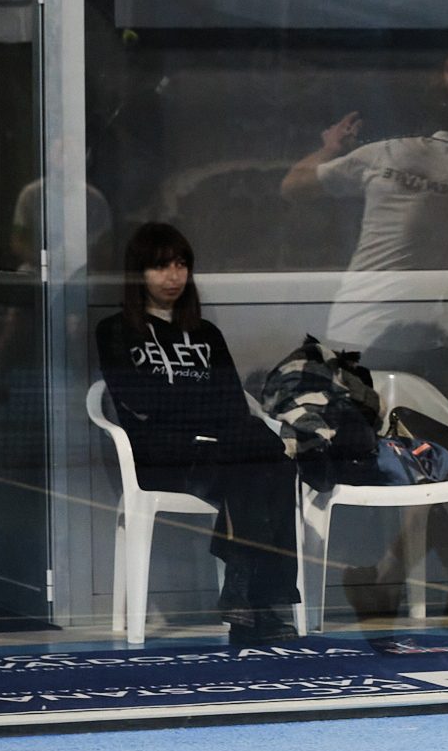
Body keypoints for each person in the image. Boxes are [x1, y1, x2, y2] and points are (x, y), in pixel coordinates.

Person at [280, 51, 448, 400]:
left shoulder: (385, 154)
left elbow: (293, 185)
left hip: (352, 326)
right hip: (410, 340)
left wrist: (331, 148)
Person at [94, 222, 301, 645]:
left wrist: (186, 408)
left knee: (268, 463)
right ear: (138, 274)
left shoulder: (207, 335)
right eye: (160, 267)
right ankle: (261, 601)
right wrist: (199, 411)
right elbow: (139, 401)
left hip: (220, 452)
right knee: (262, 457)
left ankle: (243, 597)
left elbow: (231, 404)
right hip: (161, 456)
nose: (173, 276)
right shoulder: (115, 331)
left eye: (181, 265)